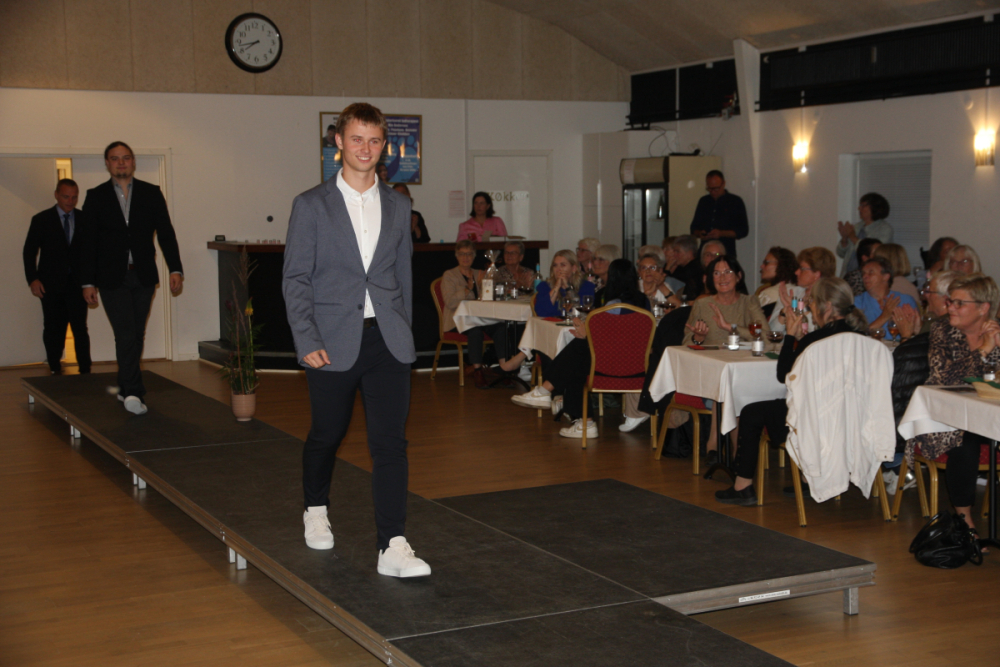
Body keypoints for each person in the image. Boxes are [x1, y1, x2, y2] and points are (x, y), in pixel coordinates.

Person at [282, 102, 430, 578]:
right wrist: (306, 338)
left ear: (384, 146)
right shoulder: (311, 204)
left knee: (390, 444)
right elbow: (296, 278)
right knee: (327, 434)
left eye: (374, 140)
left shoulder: (399, 205)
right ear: (339, 143)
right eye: (356, 139)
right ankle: (315, 508)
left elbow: (402, 276)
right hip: (330, 341)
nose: (365, 148)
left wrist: (404, 334)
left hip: (387, 341)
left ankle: (392, 545)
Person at [715, 278, 869, 505]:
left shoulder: (815, 340)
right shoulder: (863, 339)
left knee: (751, 412)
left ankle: (743, 486)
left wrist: (790, 336)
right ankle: (808, 480)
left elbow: (784, 376)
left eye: (812, 303)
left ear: (826, 307)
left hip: (814, 422)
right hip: (853, 419)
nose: (810, 309)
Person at [80, 141, 183, 415]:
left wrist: (175, 268)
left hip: (143, 275)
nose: (121, 162)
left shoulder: (151, 193)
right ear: (107, 163)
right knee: (125, 334)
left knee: (136, 334)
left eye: (126, 158)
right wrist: (87, 282)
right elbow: (87, 242)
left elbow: (166, 233)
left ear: (133, 162)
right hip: (111, 278)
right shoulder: (96, 196)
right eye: (115, 158)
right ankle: (134, 393)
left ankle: (124, 385)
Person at [905, 274, 1000, 537]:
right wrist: (983, 349)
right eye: (950, 301)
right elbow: (944, 377)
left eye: (960, 303)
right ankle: (965, 521)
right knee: (964, 442)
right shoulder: (943, 330)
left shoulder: (997, 331)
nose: (951, 308)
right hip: (945, 419)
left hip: (988, 418)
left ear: (983, 308)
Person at [511, 259, 650, 439]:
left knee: (577, 355)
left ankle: (556, 399)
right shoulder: (644, 302)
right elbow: (623, 337)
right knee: (578, 354)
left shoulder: (612, 305)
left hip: (609, 367)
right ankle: (557, 401)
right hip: (638, 365)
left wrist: (586, 333)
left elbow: (607, 337)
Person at [22, 178, 92, 375]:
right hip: (50, 285)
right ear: (56, 195)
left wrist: (91, 281)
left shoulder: (84, 219)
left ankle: (85, 369)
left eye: (74, 197)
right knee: (53, 328)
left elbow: (91, 253)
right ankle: (54, 367)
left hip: (78, 285)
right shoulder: (42, 219)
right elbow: (29, 252)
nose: (70, 201)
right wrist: (33, 279)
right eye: (66, 196)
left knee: (80, 328)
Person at [440, 240, 494, 389]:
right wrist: (467, 289)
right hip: (456, 321)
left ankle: (506, 369)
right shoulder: (449, 275)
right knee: (475, 331)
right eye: (462, 254)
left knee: (502, 328)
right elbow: (450, 302)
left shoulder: (479, 273)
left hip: (480, 318)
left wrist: (484, 285)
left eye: (469, 254)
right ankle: (477, 371)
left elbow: (488, 300)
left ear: (474, 256)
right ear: (456, 256)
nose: (466, 257)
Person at [768, 246, 836, 333]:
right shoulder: (791, 293)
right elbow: (771, 333)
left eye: (802, 269)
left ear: (816, 274)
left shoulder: (828, 300)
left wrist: (797, 310)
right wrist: (784, 313)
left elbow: (818, 332)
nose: (796, 272)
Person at [854, 256, 918, 338]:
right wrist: (885, 316)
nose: (865, 276)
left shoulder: (905, 300)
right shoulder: (857, 302)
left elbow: (915, 334)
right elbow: (857, 337)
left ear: (886, 277)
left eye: (871, 272)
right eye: (863, 273)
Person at [689, 170, 748, 258]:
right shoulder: (703, 201)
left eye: (716, 188)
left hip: (726, 252)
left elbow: (743, 230)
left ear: (723, 184)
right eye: (709, 189)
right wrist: (700, 234)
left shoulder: (735, 202)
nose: (713, 192)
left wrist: (721, 233)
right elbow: (693, 228)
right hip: (705, 252)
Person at [836, 192, 893, 277]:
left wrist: (852, 236)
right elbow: (841, 253)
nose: (859, 208)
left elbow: (874, 254)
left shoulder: (884, 229)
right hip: (847, 276)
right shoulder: (857, 226)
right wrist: (844, 239)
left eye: (863, 205)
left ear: (874, 207)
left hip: (868, 276)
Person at [534, 250, 595, 317]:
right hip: (551, 323)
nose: (558, 269)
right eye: (555, 265)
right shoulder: (545, 286)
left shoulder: (586, 286)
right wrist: (557, 286)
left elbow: (582, 311)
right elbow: (541, 312)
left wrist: (567, 287)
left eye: (563, 265)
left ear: (574, 268)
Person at [668, 235, 703, 303]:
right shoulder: (682, 268)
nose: (674, 255)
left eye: (677, 251)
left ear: (689, 253)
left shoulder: (692, 270)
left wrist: (668, 269)